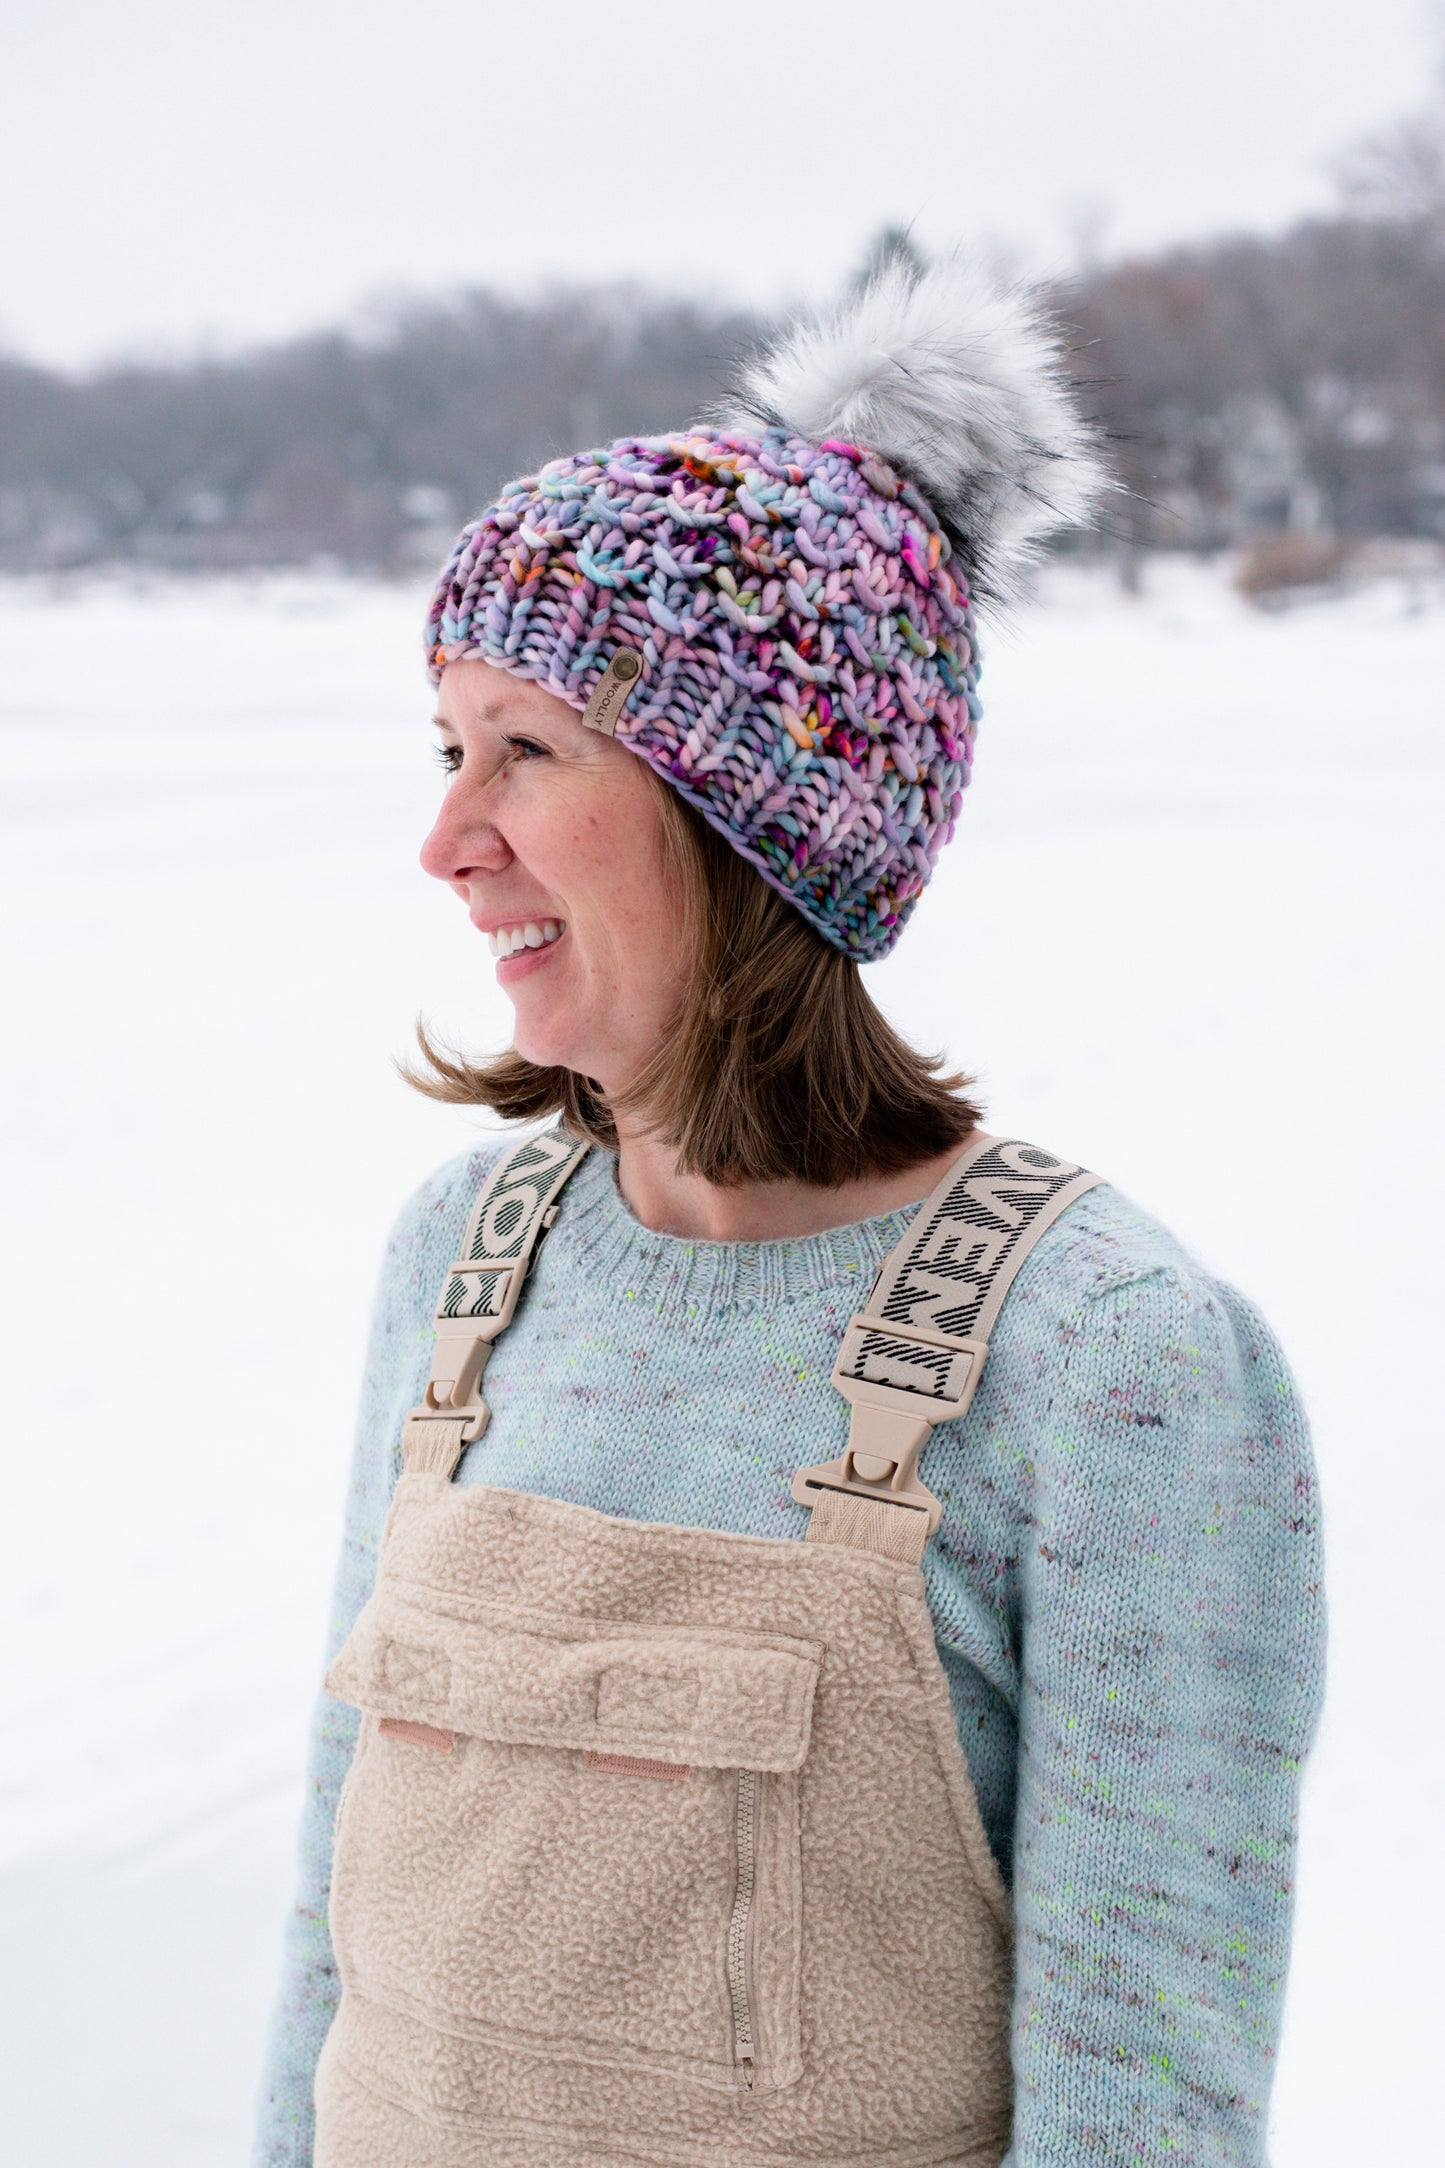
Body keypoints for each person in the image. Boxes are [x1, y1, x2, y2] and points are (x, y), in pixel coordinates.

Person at [253, 257, 1325, 2168]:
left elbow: (1142, 2100)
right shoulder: (462, 1268)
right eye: (446, 745)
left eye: (529, 749)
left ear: (745, 820)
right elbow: (332, 1939)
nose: (445, 836)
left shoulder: (1110, 1357)